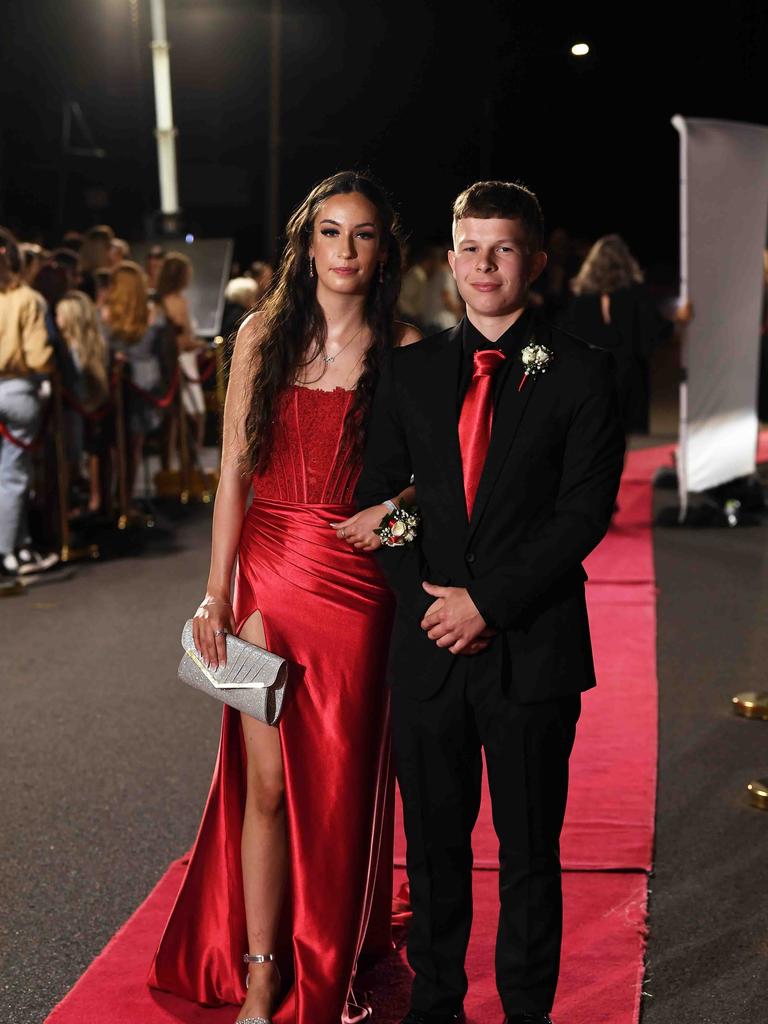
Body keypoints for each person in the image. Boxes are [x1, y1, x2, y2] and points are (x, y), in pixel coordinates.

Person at [149, 171, 421, 1024]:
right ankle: (265, 972)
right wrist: (213, 593)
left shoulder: (407, 347)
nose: (346, 249)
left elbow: (441, 478)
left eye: (363, 234)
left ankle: (331, 961)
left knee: (338, 788)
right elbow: (233, 473)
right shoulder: (262, 336)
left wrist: (396, 512)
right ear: (306, 245)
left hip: (360, 590)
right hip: (268, 574)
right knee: (265, 787)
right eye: (330, 232)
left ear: (383, 251)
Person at [357, 180, 626, 1024]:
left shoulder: (583, 372)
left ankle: (526, 1012)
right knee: (432, 856)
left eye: (502, 248)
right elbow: (382, 506)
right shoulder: (407, 371)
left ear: (535, 263)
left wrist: (488, 604)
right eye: (469, 247)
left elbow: (583, 515)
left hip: (531, 650)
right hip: (430, 650)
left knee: (528, 856)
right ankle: (437, 1006)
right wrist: (433, 604)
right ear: (448, 259)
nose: (483, 265)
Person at [564, 234, 690, 434]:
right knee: (625, 439)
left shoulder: (581, 301)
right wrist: (678, 320)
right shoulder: (635, 294)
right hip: (628, 376)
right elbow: (654, 330)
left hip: (592, 379)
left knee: (595, 437)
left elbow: (570, 341)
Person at [0, 227, 56, 578]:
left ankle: (19, 548)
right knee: (14, 476)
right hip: (17, 388)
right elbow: (38, 356)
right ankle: (8, 552)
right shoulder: (28, 299)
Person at [100, 262, 169, 504]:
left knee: (109, 446)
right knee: (133, 447)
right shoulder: (152, 314)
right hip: (143, 383)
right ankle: (125, 498)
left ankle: (108, 501)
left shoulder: (106, 314)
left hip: (117, 384)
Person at [56, 291, 110, 514]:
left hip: (79, 409)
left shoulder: (77, 348)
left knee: (79, 454)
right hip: (80, 408)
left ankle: (86, 500)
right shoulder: (84, 345)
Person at [155, 251, 209, 460]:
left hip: (178, 361)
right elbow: (182, 339)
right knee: (194, 415)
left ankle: (171, 465)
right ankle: (191, 465)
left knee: (175, 420)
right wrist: (200, 344)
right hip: (182, 362)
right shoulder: (177, 302)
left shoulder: (161, 300)